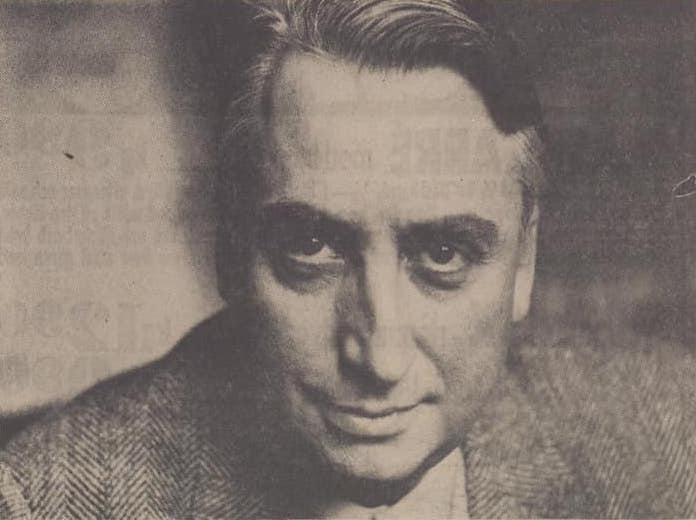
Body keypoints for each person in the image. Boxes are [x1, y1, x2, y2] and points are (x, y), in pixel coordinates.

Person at [1, 1, 695, 518]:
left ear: (523, 265)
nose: (380, 357)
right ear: (229, 252)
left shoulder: (673, 427)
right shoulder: (42, 502)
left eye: (443, 254)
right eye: (310, 247)